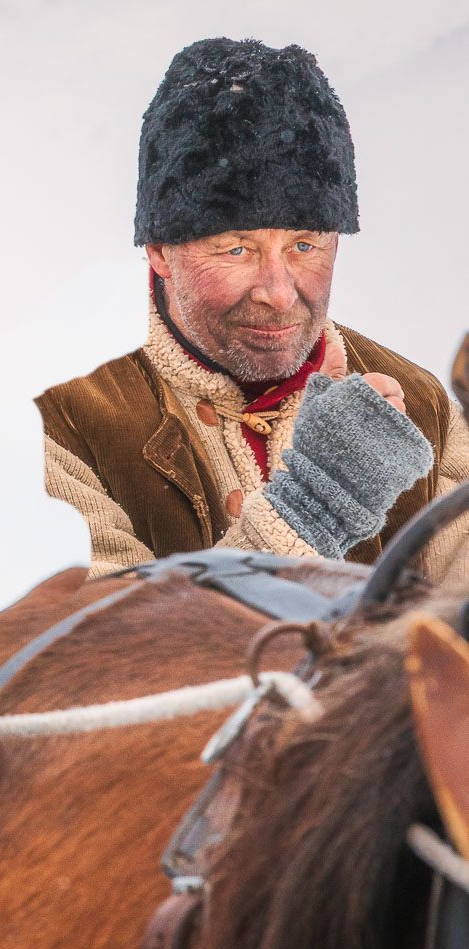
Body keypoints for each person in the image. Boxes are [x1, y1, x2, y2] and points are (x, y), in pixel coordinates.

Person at [37, 38, 469, 579]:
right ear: (159, 250)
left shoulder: (425, 407)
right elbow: (84, 648)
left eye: (304, 245)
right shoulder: (64, 423)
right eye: (237, 248)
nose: (279, 292)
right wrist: (311, 508)